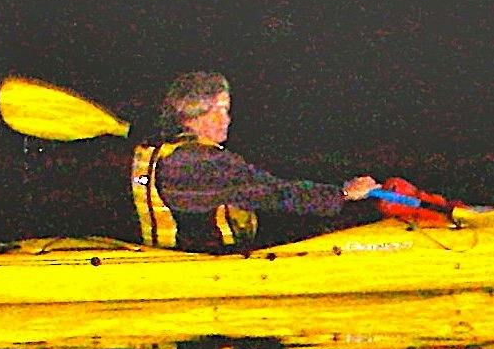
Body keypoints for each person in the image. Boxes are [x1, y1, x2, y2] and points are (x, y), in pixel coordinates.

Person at [130, 71, 378, 252]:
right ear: (197, 111)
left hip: (169, 256)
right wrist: (344, 193)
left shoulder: (155, 149)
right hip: (210, 264)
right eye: (223, 109)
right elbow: (278, 194)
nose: (228, 119)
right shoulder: (203, 163)